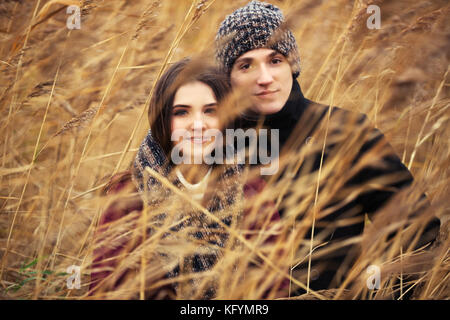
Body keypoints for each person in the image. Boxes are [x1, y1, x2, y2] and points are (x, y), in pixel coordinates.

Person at [215, 0, 441, 296]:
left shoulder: (345, 132)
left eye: (275, 60)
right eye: (246, 65)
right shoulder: (215, 144)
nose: (265, 78)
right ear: (228, 79)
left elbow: (418, 232)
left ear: (292, 64)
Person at [88, 58, 284, 299]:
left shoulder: (251, 189)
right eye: (182, 112)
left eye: (210, 111)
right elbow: (104, 290)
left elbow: (275, 287)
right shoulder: (128, 194)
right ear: (163, 120)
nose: (198, 125)